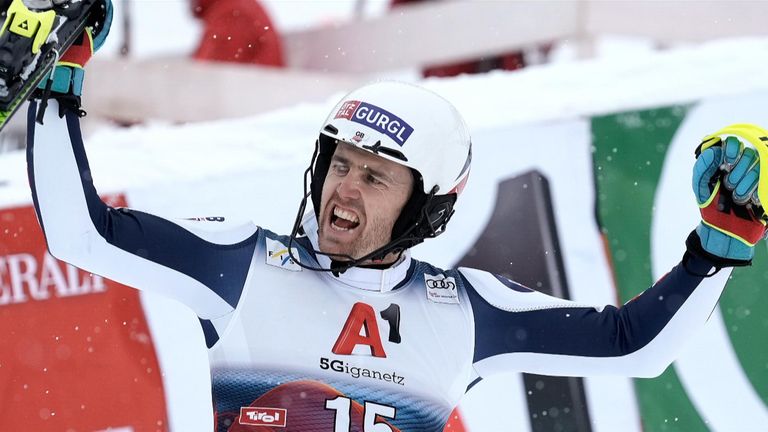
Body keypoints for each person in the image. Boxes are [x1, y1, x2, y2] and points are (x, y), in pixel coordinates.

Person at [23, 1, 768, 431]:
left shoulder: (470, 312)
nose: (343, 190)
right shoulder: (239, 262)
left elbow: (634, 346)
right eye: (339, 165)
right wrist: (60, 84)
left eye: (375, 178)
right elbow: (78, 231)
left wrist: (720, 245)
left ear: (428, 208)